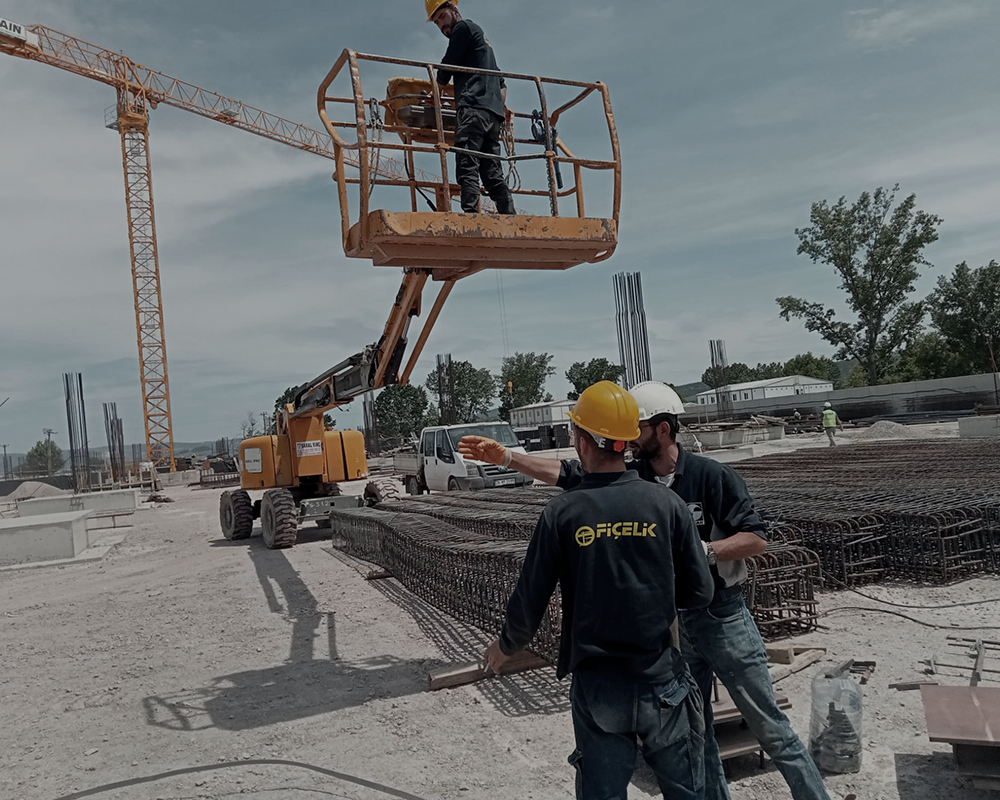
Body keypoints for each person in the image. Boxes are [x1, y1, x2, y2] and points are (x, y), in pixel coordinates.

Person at [461, 381, 833, 800]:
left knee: (768, 724)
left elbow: (756, 539)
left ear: (662, 429)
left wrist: (701, 552)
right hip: (670, 633)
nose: (630, 438)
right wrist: (507, 458)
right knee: (697, 736)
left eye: (638, 428)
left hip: (721, 617)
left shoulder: (711, 476)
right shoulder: (642, 483)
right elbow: (569, 474)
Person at [482, 381, 715, 800]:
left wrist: (506, 646)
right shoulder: (666, 504)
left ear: (582, 441)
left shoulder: (563, 513)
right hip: (662, 681)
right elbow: (700, 591)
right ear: (626, 441)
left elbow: (530, 599)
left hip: (601, 687)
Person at [426, 0, 515, 215]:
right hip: (491, 115)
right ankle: (510, 217)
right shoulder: (480, 39)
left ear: (455, 10)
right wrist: (497, 105)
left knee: (467, 165)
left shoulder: (463, 28)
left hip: (473, 109)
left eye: (442, 17)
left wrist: (436, 91)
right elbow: (501, 83)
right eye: (436, 22)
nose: (441, 26)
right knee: (492, 173)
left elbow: (448, 64)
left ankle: (471, 218)